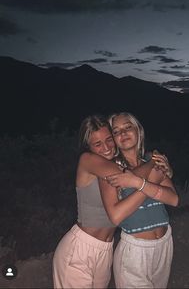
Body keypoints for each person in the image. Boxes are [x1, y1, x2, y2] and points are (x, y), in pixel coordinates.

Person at [52, 115, 164, 289]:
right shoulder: (88, 160)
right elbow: (125, 178)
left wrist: (163, 169)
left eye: (109, 140)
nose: (106, 148)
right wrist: (153, 162)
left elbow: (136, 180)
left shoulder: (119, 163)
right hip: (80, 249)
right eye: (97, 144)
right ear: (88, 147)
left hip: (106, 250)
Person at [98, 112, 179, 289]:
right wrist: (151, 184)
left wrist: (137, 183)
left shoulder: (152, 160)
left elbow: (173, 199)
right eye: (116, 131)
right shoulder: (111, 169)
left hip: (164, 244)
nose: (123, 133)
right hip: (135, 253)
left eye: (128, 127)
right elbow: (116, 216)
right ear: (113, 139)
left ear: (138, 131)